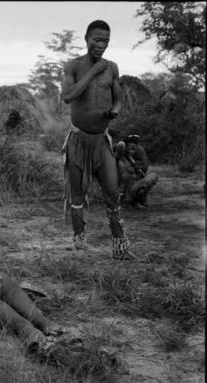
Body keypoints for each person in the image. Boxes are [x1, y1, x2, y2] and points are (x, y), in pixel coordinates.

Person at [61, 19, 134, 260]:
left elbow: (118, 98)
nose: (101, 44)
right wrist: (93, 70)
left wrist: (115, 111)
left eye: (106, 41)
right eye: (97, 39)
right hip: (78, 140)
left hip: (102, 141)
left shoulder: (112, 67)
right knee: (77, 195)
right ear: (86, 39)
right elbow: (68, 96)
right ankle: (80, 248)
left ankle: (120, 248)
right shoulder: (73, 66)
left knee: (112, 193)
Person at [119, 135, 158, 208]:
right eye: (129, 146)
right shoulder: (121, 158)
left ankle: (139, 201)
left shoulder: (136, 160)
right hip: (125, 191)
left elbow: (143, 168)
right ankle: (128, 202)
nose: (131, 149)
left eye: (133, 148)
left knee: (152, 177)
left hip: (133, 186)